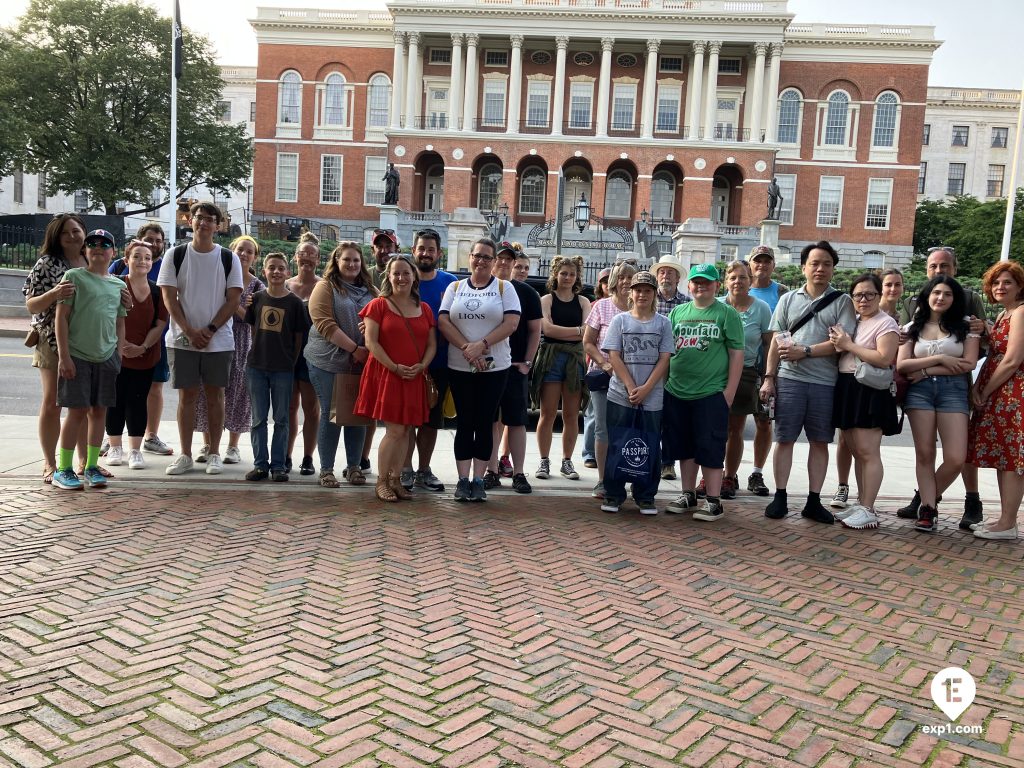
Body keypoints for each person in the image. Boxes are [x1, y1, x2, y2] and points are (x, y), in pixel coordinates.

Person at [760, 241, 857, 524]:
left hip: (825, 382)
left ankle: (814, 501)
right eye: (814, 263)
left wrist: (807, 351)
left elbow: (842, 343)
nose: (820, 269)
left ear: (833, 268)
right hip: (789, 380)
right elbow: (776, 342)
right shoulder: (788, 299)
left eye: (826, 263)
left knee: (819, 442)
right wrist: (769, 378)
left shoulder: (842, 302)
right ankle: (780, 496)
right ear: (804, 267)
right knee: (785, 438)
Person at [897, 246, 988, 527]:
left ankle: (928, 498)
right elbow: (902, 365)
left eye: (947, 294)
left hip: (953, 391)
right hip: (919, 393)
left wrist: (924, 369)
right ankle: (927, 510)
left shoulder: (966, 326)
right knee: (925, 453)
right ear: (928, 295)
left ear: (955, 298)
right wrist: (939, 359)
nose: (941, 297)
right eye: (936, 292)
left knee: (956, 457)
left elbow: (968, 363)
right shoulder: (914, 326)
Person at [158, 201, 245, 476]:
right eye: (199, 217)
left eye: (210, 219)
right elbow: (169, 297)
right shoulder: (176, 255)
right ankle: (184, 454)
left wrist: (209, 329)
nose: (203, 223)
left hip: (218, 341)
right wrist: (188, 330)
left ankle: (215, 453)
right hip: (182, 340)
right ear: (190, 220)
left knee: (215, 396)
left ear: (218, 226)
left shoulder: (228, 258)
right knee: (187, 396)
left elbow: (234, 300)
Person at [438, 237, 521, 502]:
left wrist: (482, 344)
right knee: (465, 422)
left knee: (485, 423)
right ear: (470, 258)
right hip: (460, 365)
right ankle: (463, 481)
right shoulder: (455, 287)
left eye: (487, 257)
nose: (481, 261)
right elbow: (442, 321)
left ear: (494, 261)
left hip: (494, 368)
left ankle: (478, 479)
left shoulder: (504, 288)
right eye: (477, 256)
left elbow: (511, 323)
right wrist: (467, 348)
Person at [663, 264, 744, 521]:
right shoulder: (677, 312)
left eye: (707, 282)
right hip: (677, 390)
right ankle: (688, 494)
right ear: (689, 285)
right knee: (684, 446)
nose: (701, 286)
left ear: (716, 286)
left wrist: (729, 392)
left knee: (710, 446)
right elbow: (667, 352)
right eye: (697, 282)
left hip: (711, 392)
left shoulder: (726, 314)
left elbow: (736, 354)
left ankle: (713, 499)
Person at [51, 230, 128, 490]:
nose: (98, 248)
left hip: (106, 357)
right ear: (85, 251)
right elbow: (61, 317)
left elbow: (119, 321)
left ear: (113, 253)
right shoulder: (73, 277)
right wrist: (64, 356)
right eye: (92, 244)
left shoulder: (119, 285)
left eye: (105, 244)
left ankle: (92, 465)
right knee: (77, 411)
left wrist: (117, 353)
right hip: (77, 355)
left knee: (99, 412)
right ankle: (64, 469)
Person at [357, 255, 437, 502]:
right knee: (395, 430)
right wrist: (394, 367)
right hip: (387, 374)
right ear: (388, 277)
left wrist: (421, 366)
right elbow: (371, 342)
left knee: (407, 431)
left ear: (414, 276)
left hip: (413, 375)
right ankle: (381, 481)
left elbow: (432, 344)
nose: (401, 278)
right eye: (396, 273)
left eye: (405, 273)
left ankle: (395, 479)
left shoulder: (424, 309)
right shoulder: (378, 305)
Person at [827, 274, 901, 530]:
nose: (864, 299)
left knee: (868, 452)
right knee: (857, 451)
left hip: (869, 389)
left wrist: (849, 344)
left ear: (880, 296)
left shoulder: (886, 323)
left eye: (870, 294)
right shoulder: (853, 321)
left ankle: (868, 508)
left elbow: (884, 358)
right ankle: (861, 503)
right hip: (847, 387)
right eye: (858, 295)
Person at [23, 213, 90, 484]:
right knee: (52, 402)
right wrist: (54, 293)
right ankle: (50, 463)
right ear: (56, 238)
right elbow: (31, 305)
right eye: (66, 233)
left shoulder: (92, 259)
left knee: (82, 404)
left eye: (76, 230)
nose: (73, 236)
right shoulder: (47, 263)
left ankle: (86, 462)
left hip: (86, 340)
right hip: (50, 339)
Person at [600, 271, 674, 515]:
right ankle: (614, 494)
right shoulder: (620, 321)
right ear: (630, 293)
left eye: (648, 290)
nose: (642, 294)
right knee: (619, 443)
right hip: (621, 394)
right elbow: (613, 355)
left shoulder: (663, 323)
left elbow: (664, 359)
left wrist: (647, 388)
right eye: (638, 290)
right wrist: (632, 387)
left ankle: (645, 495)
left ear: (654, 294)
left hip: (652, 396)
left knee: (650, 445)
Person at [305, 242, 377, 488]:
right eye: (346, 259)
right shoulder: (325, 287)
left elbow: (382, 317)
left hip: (360, 364)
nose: (352, 264)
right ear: (336, 262)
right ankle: (326, 470)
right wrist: (355, 349)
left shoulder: (370, 289)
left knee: (358, 414)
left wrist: (370, 336)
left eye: (356, 260)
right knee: (331, 413)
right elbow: (325, 324)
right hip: (327, 360)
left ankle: (354, 467)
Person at [106, 223, 175, 458]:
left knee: (141, 399)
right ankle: (114, 444)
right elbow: (109, 317)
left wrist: (143, 346)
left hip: (148, 353)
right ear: (127, 259)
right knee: (115, 399)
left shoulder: (160, 283)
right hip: (116, 353)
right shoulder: (116, 282)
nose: (143, 260)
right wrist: (121, 347)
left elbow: (160, 322)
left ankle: (141, 445)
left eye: (147, 257)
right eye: (137, 256)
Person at [194, 235, 264, 466]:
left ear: (255, 257)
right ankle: (208, 442)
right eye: (240, 250)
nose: (243, 255)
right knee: (210, 392)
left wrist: (234, 305)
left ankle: (233, 445)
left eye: (249, 252)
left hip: (243, 342)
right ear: (231, 252)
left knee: (239, 393)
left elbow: (256, 321)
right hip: (216, 338)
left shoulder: (257, 287)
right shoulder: (219, 278)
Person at [967, 261, 1024, 540]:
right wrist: (979, 387)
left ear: (1019, 286)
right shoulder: (1004, 314)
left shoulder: (1021, 313)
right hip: (999, 390)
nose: (1000, 287)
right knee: (1003, 456)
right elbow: (992, 357)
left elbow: (1012, 359)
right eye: (996, 283)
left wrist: (986, 390)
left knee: (1012, 458)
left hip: (1014, 393)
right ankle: (1005, 519)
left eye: (1007, 282)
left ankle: (1008, 523)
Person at [243, 252, 308, 481]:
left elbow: (299, 336)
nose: (276, 272)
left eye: (281, 268)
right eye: (272, 268)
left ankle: (278, 465)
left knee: (281, 419)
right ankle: (260, 464)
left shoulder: (295, 304)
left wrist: (290, 361)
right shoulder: (257, 298)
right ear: (264, 271)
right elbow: (253, 329)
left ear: (287, 272)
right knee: (259, 419)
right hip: (257, 367)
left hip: (283, 369)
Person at [402, 228, 457, 492]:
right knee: (405, 421)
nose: (425, 253)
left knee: (430, 422)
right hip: (404, 365)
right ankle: (405, 470)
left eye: (431, 249)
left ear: (439, 253)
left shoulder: (450, 283)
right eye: (421, 248)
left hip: (439, 364)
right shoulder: (401, 279)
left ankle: (424, 469)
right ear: (414, 251)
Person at [483, 242, 541, 494]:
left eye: (510, 259)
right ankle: (492, 470)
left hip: (515, 366)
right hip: (487, 367)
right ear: (492, 260)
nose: (504, 263)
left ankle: (518, 473)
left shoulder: (527, 293)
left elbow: (534, 330)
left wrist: (528, 361)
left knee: (516, 422)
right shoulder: (481, 290)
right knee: (489, 421)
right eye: (501, 258)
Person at [532, 255, 591, 484]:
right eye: (564, 273)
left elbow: (587, 331)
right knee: (546, 413)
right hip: (551, 358)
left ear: (577, 277)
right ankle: (544, 460)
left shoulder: (584, 302)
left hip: (575, 359)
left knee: (571, 415)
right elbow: (547, 329)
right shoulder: (546, 299)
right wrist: (576, 330)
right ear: (555, 274)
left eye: (572, 274)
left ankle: (567, 461)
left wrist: (566, 331)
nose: (567, 277)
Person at [583, 259, 637, 499]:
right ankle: (604, 481)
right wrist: (605, 364)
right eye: (622, 277)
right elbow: (587, 342)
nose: (626, 281)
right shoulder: (602, 307)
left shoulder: (642, 308)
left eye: (631, 277)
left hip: (634, 380)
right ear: (614, 281)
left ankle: (628, 476)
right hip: (605, 376)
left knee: (629, 430)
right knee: (603, 428)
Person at [719, 260, 772, 500]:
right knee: (712, 428)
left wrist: (768, 377)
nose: (738, 282)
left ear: (750, 281)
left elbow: (769, 344)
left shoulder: (761, 308)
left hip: (746, 374)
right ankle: (711, 474)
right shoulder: (716, 305)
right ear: (725, 282)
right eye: (733, 277)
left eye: (743, 277)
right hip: (714, 373)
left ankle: (729, 477)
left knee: (735, 428)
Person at [745, 244, 788, 496]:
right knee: (733, 422)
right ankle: (728, 473)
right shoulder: (739, 287)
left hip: (768, 367)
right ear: (750, 264)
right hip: (742, 365)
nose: (761, 265)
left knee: (763, 421)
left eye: (766, 261)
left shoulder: (782, 292)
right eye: (757, 261)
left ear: (773, 265)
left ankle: (757, 472)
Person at [285, 233, 322, 476]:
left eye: (311, 254)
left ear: (318, 260)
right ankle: (285, 456)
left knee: (311, 408)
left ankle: (308, 457)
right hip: (287, 355)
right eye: (302, 254)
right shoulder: (285, 285)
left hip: (312, 355)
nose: (306, 258)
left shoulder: (323, 286)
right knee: (288, 408)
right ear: (295, 257)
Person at [653, 254, 690, 481]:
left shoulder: (686, 303)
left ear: (678, 278)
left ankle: (668, 463)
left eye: (670, 273)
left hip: (675, 367)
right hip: (648, 365)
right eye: (662, 272)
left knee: (671, 417)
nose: (665, 276)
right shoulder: (646, 298)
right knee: (649, 415)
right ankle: (650, 458)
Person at [581, 267, 611, 469]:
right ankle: (590, 452)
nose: (609, 284)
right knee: (594, 414)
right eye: (605, 281)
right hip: (597, 368)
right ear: (600, 285)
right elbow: (588, 340)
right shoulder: (596, 306)